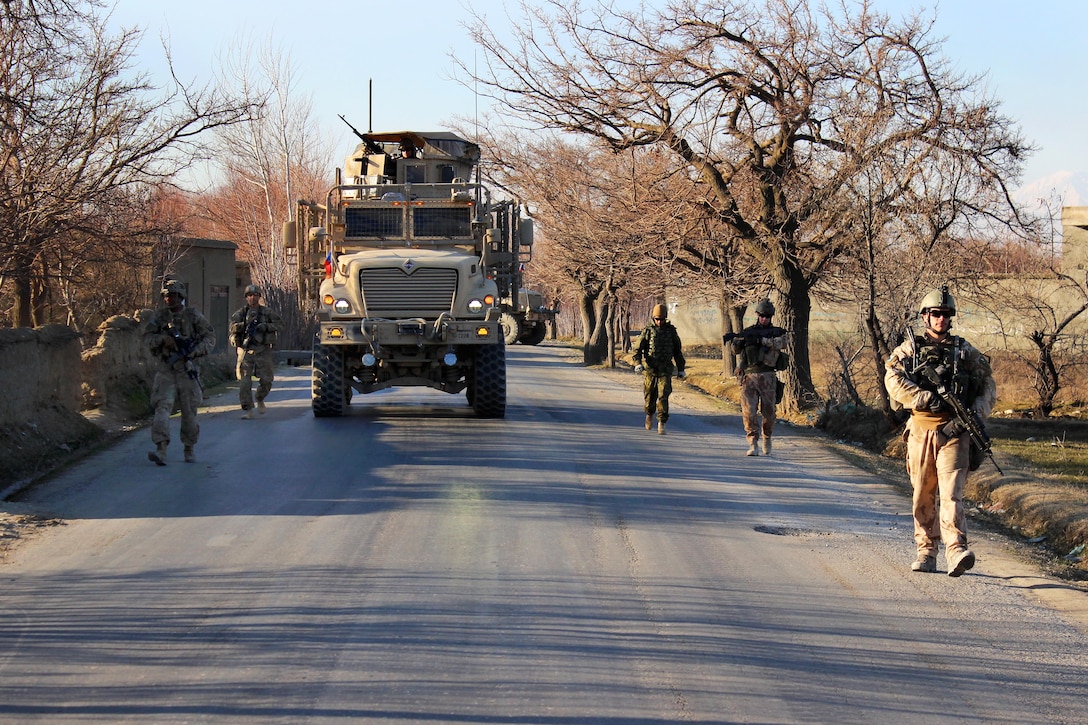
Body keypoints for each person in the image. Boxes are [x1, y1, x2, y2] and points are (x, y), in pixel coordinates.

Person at [884, 287, 997, 577]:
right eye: (936, 314)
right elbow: (893, 380)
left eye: (946, 315)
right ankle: (926, 550)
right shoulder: (909, 350)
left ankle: (956, 549)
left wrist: (973, 415)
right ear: (926, 317)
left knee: (951, 494)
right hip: (921, 429)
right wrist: (923, 397)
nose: (941, 320)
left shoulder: (965, 352)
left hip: (955, 431)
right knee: (923, 493)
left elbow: (987, 386)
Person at [144, 279, 215, 464]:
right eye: (166, 296)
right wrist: (163, 340)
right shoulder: (159, 317)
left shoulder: (193, 316)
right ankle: (161, 448)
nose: (169, 299)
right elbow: (147, 338)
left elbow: (209, 337)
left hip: (187, 368)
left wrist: (194, 351)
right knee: (162, 406)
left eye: (173, 295)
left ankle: (189, 448)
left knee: (189, 411)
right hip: (166, 369)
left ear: (181, 297)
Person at [728, 298, 789, 456]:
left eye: (767, 316)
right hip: (749, 377)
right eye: (762, 316)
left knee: (769, 413)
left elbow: (783, 343)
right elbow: (735, 351)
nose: (764, 319)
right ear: (757, 315)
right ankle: (753, 443)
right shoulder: (749, 332)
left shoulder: (777, 333)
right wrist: (738, 341)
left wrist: (763, 341)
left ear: (771, 317)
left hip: (768, 376)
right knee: (749, 412)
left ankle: (767, 437)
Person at [229, 284, 284, 419]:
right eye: (249, 296)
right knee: (244, 382)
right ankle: (248, 410)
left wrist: (264, 327)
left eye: (255, 295)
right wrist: (245, 326)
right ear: (246, 298)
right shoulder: (241, 313)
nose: (252, 298)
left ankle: (259, 398)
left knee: (267, 380)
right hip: (245, 350)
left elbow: (280, 324)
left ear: (259, 297)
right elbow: (232, 327)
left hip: (262, 349)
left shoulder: (266, 312)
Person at [633, 303, 686, 435]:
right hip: (650, 368)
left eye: (662, 319)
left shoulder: (671, 331)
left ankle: (661, 422)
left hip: (665, 369)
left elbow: (677, 351)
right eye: (657, 319)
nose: (659, 322)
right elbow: (637, 349)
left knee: (663, 395)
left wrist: (681, 369)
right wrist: (638, 363)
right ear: (653, 318)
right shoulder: (648, 331)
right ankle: (649, 414)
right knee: (649, 394)